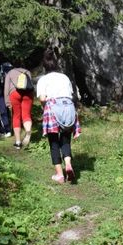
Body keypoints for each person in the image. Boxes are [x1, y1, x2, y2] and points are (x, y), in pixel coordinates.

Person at [36, 48, 80, 183]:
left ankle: (60, 175)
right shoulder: (64, 77)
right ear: (56, 65)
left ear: (44, 66)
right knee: (65, 139)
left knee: (53, 142)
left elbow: (43, 98)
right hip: (68, 107)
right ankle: (68, 164)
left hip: (53, 108)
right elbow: (71, 94)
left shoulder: (43, 80)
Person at [4, 64, 34, 149]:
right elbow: (30, 85)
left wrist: (7, 103)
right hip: (28, 94)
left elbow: (6, 88)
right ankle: (28, 131)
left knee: (16, 117)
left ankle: (18, 142)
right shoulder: (27, 71)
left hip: (14, 93)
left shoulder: (10, 72)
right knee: (26, 115)